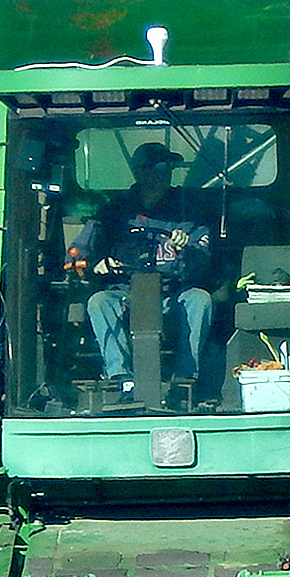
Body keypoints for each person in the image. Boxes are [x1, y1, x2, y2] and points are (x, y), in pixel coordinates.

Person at [69, 143, 229, 404]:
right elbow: (79, 253)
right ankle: (121, 380)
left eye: (166, 167)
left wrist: (186, 247)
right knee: (98, 302)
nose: (160, 173)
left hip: (174, 293)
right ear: (137, 171)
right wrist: (96, 264)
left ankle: (184, 382)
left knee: (200, 299)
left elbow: (206, 257)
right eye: (153, 167)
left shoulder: (189, 209)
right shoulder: (113, 211)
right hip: (125, 294)